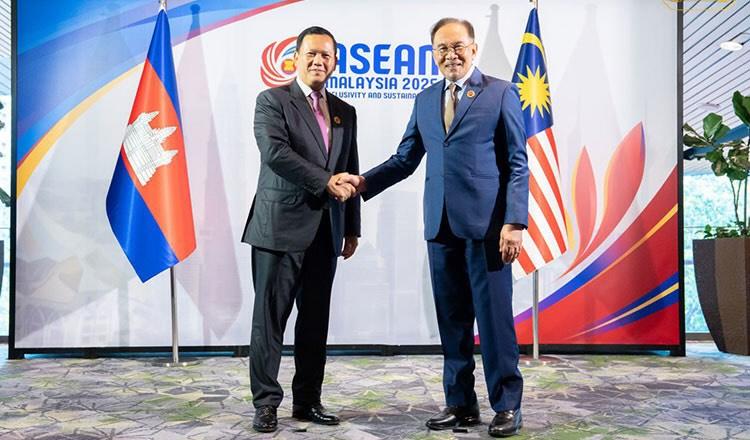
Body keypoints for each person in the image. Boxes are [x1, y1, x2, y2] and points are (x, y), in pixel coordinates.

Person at [344, 17, 528, 438]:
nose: (451, 55)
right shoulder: (426, 99)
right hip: (440, 226)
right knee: (452, 320)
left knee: (494, 322)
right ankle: (460, 403)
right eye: (442, 48)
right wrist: (363, 183)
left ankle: (507, 405)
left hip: (489, 230)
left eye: (458, 46)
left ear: (473, 48)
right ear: (433, 54)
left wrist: (514, 222)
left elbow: (518, 162)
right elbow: (405, 158)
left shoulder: (500, 92)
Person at [241, 26, 360, 433]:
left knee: (315, 322)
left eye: (326, 55)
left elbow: (350, 167)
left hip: (326, 230)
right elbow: (275, 153)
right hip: (278, 229)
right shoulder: (272, 100)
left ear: (335, 62)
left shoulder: (345, 110)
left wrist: (351, 226)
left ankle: (308, 401)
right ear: (295, 57)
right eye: (311, 53)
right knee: (270, 320)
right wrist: (325, 182)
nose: (318, 61)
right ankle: (265, 403)